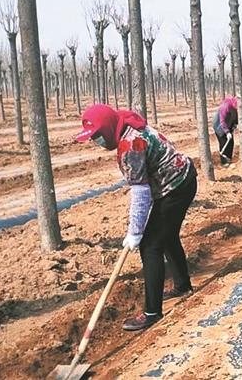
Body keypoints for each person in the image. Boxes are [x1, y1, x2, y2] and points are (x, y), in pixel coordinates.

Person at [75, 104, 197, 331]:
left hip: (176, 187)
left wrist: (135, 232)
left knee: (150, 245)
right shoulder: (127, 124)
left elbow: (141, 193)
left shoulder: (130, 145)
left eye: (98, 136)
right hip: (183, 178)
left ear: (109, 128)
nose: (97, 142)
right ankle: (182, 286)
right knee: (166, 235)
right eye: (94, 138)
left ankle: (152, 312)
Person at [212, 96, 239, 165]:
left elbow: (235, 118)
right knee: (223, 143)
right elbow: (222, 121)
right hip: (219, 126)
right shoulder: (225, 107)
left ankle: (229, 159)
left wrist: (235, 125)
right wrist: (227, 132)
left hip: (228, 125)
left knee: (231, 143)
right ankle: (223, 162)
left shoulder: (234, 107)